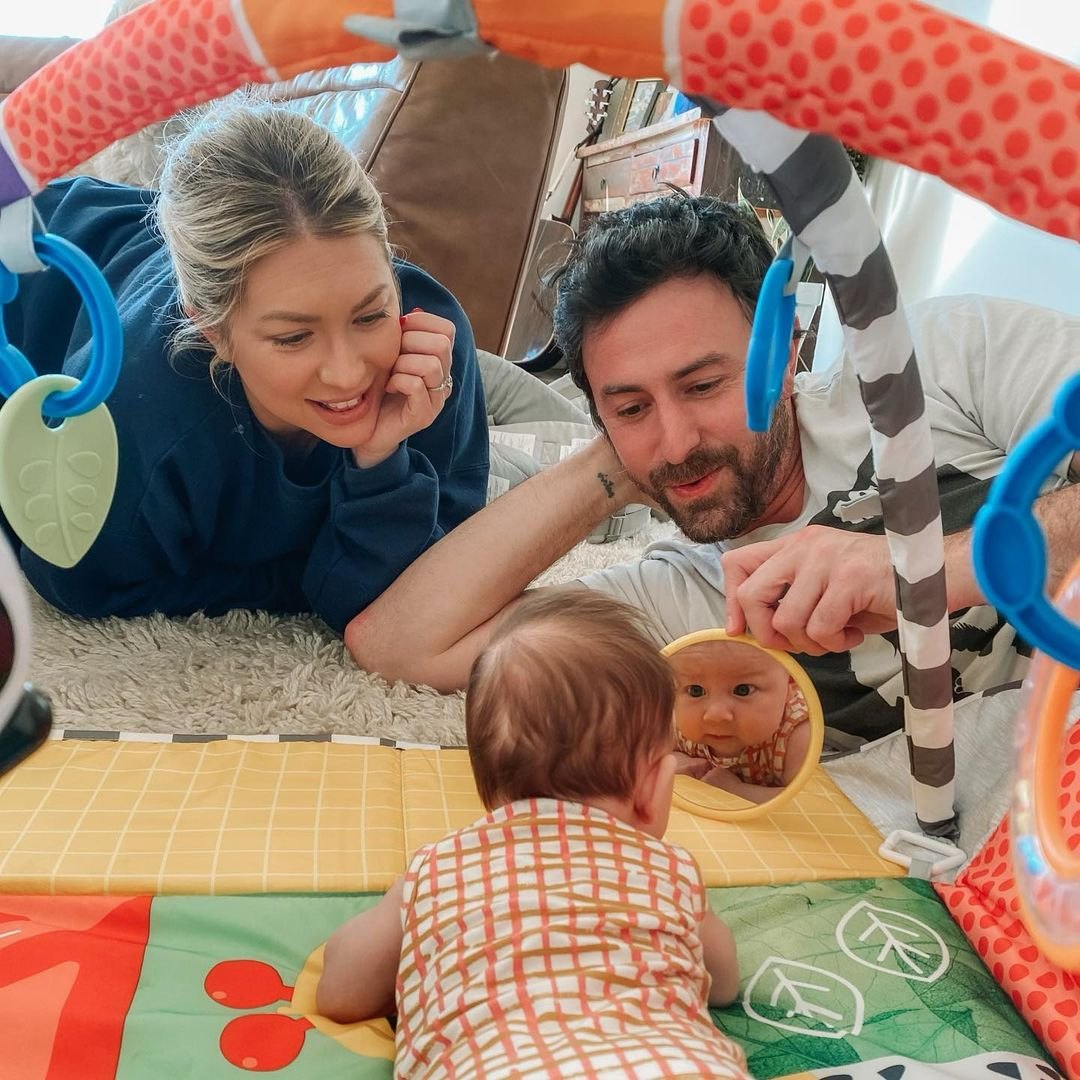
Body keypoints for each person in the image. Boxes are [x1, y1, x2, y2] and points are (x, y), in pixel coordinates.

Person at [348, 192, 1080, 742]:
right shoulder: (690, 601)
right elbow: (401, 644)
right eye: (630, 407)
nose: (676, 443)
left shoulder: (929, 361)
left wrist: (932, 569)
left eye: (702, 386)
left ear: (786, 352)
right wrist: (615, 463)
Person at [3, 99, 488, 633]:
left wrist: (381, 461)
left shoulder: (432, 344)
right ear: (213, 331)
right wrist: (303, 577)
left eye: (370, 315)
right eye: (294, 336)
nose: (348, 374)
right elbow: (75, 579)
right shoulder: (139, 412)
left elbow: (424, 585)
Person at [317, 591, 749, 1080]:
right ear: (654, 786)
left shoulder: (438, 868)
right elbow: (724, 984)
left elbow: (341, 994)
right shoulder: (668, 869)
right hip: (668, 1066)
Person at [668, 640, 811, 803]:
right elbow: (643, 756)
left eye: (743, 690)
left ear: (790, 687)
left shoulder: (796, 734)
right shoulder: (677, 720)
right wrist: (678, 760)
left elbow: (806, 803)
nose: (716, 715)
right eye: (696, 691)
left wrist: (735, 790)